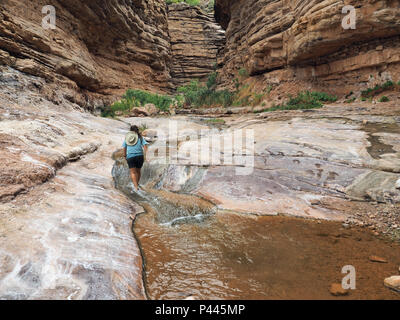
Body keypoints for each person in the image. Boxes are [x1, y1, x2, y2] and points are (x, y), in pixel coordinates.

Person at [122, 125, 148, 192]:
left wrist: (124, 156)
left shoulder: (127, 138)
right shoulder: (140, 138)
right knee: (138, 171)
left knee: (133, 172)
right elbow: (145, 146)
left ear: (130, 131)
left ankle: (136, 187)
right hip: (140, 156)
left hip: (130, 157)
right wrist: (146, 154)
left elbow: (124, 147)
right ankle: (137, 184)